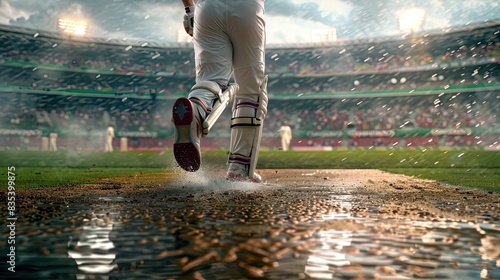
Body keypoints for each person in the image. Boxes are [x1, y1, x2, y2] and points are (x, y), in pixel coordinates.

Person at [172, 0, 267, 182]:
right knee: (250, 89)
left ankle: (196, 111)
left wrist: (190, 10)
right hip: (247, 7)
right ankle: (239, 167)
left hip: (206, 8)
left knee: (210, 79)